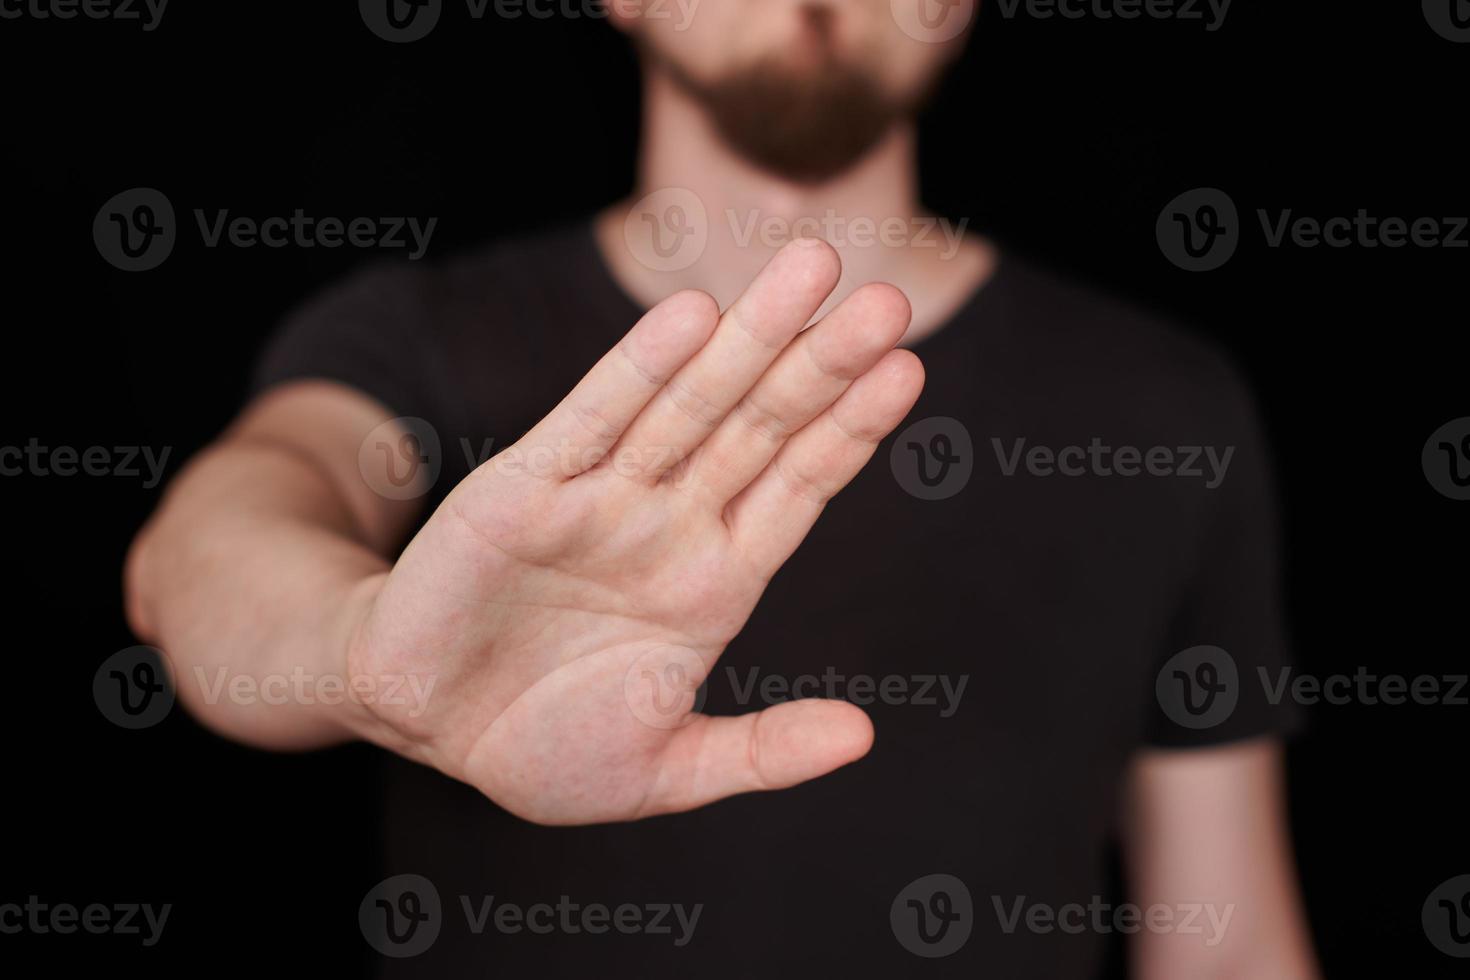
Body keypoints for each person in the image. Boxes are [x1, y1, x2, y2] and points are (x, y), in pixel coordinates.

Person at [124, 1, 1320, 974]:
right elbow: (218, 539)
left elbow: (1226, 942)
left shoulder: (1163, 405)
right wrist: (367, 650)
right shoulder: (422, 337)